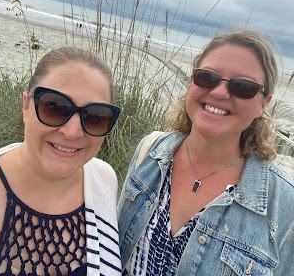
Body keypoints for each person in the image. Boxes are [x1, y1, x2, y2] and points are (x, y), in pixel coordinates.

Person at [118, 30, 294, 275]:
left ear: (263, 105)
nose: (220, 92)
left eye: (243, 86)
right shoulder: (150, 150)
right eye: (207, 77)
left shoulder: (285, 204)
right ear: (192, 82)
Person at [0, 47, 122, 275]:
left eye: (95, 116)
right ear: (26, 106)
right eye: (54, 107)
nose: (72, 132)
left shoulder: (104, 180)